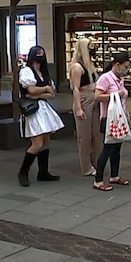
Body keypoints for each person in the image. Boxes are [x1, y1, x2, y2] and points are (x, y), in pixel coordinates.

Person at [17, 46, 64, 187]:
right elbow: (30, 90)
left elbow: (52, 94)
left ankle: (43, 172)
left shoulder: (44, 72)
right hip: (33, 109)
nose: (41, 56)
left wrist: (36, 93)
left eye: (42, 53)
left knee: (46, 142)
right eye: (38, 54)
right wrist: (44, 89)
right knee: (37, 144)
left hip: (43, 108)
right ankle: (23, 172)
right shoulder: (26, 71)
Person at [92, 52, 131, 191]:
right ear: (117, 65)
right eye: (125, 67)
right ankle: (98, 180)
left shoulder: (120, 79)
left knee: (117, 149)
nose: (126, 70)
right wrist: (114, 95)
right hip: (108, 118)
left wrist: (126, 112)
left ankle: (114, 175)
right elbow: (97, 96)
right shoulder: (105, 78)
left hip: (119, 118)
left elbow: (123, 99)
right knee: (108, 149)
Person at [69, 37, 101, 176]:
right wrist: (78, 108)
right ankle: (86, 167)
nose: (93, 49)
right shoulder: (77, 67)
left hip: (93, 98)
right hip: (83, 99)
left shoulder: (89, 65)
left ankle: (94, 162)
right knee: (85, 136)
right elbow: (75, 88)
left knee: (97, 134)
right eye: (90, 46)